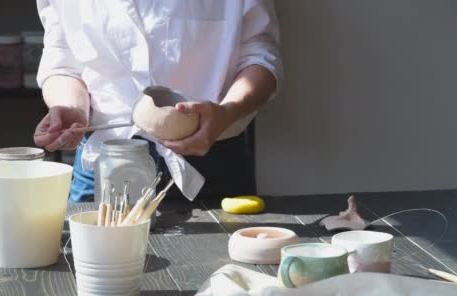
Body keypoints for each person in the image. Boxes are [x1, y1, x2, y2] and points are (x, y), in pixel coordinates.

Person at [34, 1, 282, 203]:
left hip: (212, 158)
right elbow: (63, 62)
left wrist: (228, 111)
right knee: (91, 261)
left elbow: (259, 57)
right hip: (105, 162)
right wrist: (72, 108)